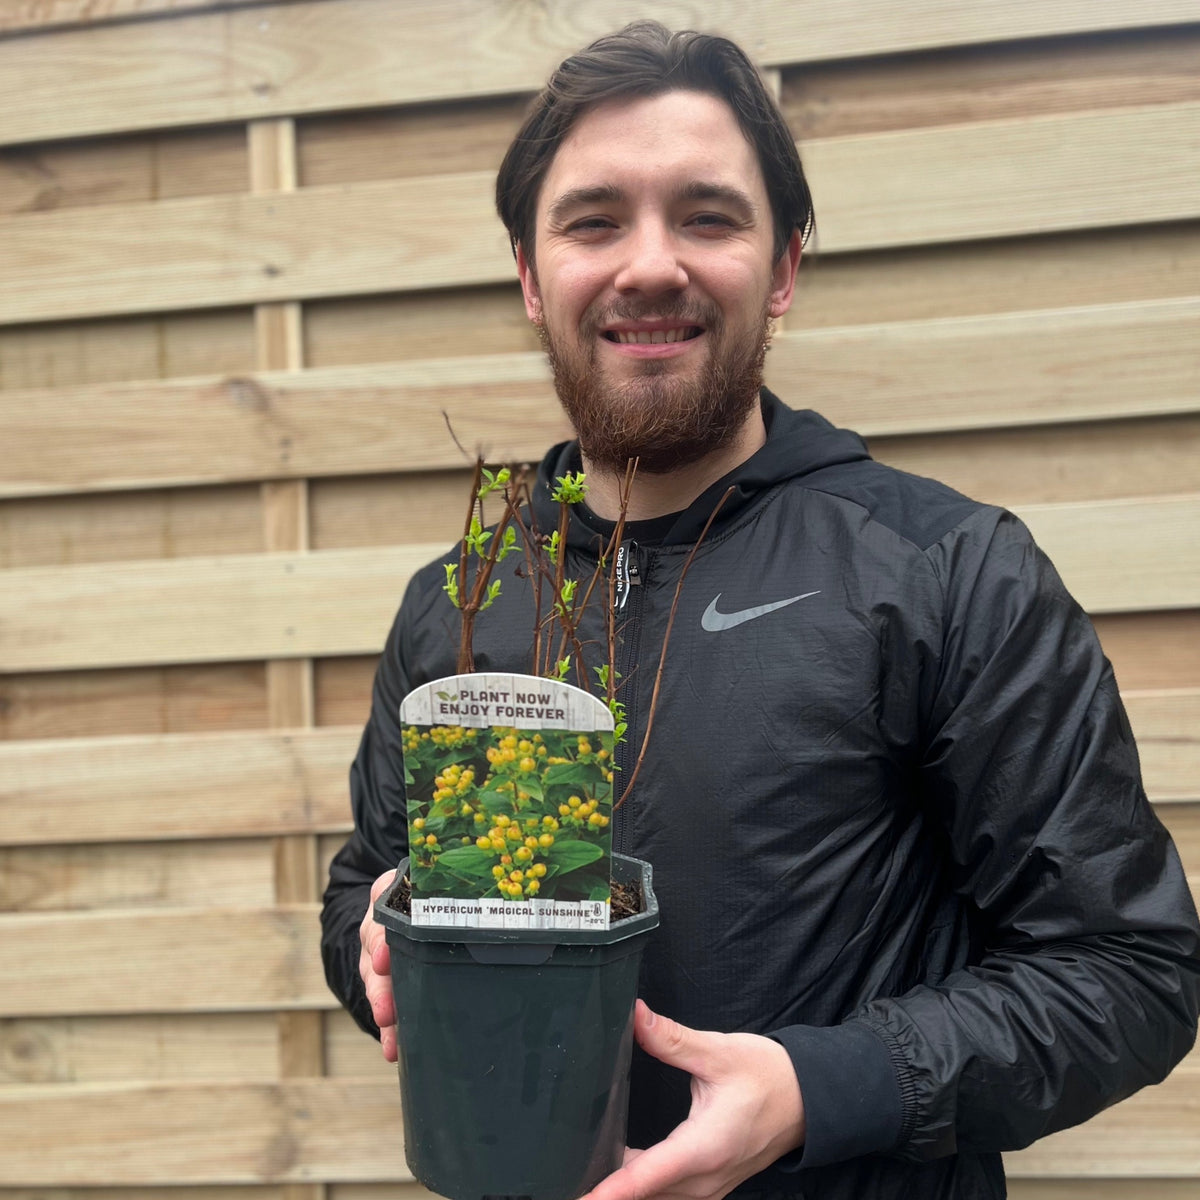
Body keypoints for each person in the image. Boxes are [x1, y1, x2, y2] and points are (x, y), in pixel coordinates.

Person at [321, 21, 1200, 1199]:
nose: (648, 265)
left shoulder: (944, 571)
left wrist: (821, 1091)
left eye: (707, 215)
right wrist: (378, 939)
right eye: (593, 220)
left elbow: (1129, 968)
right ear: (531, 277)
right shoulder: (458, 605)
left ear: (782, 267)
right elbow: (365, 882)